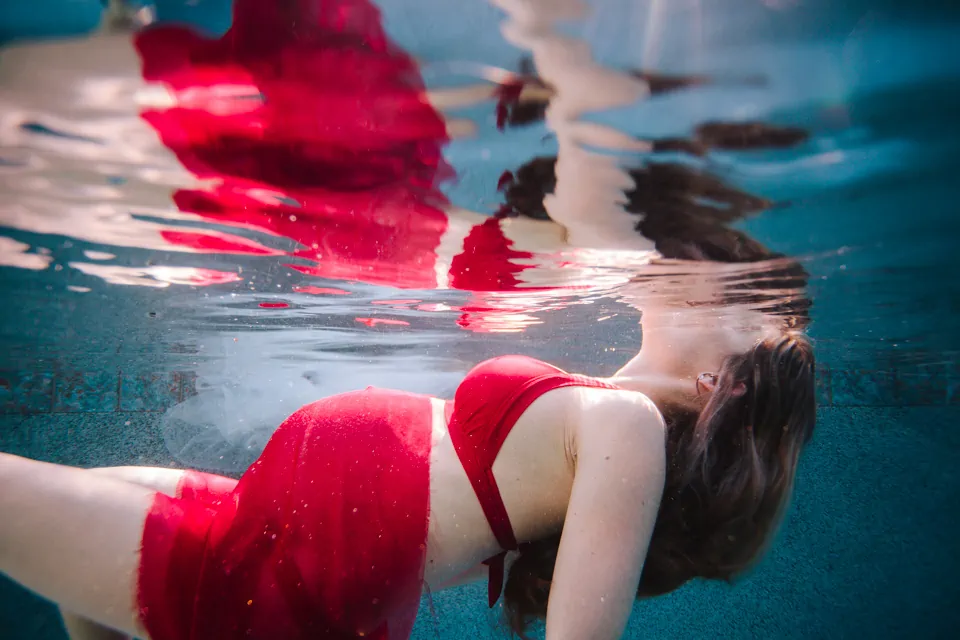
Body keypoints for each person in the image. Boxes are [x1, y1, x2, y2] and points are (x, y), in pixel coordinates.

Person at [0, 292, 817, 640]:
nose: (719, 277)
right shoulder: (609, 413)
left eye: (746, 308)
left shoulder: (630, 429)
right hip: (252, 529)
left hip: (271, 577)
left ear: (722, 382)